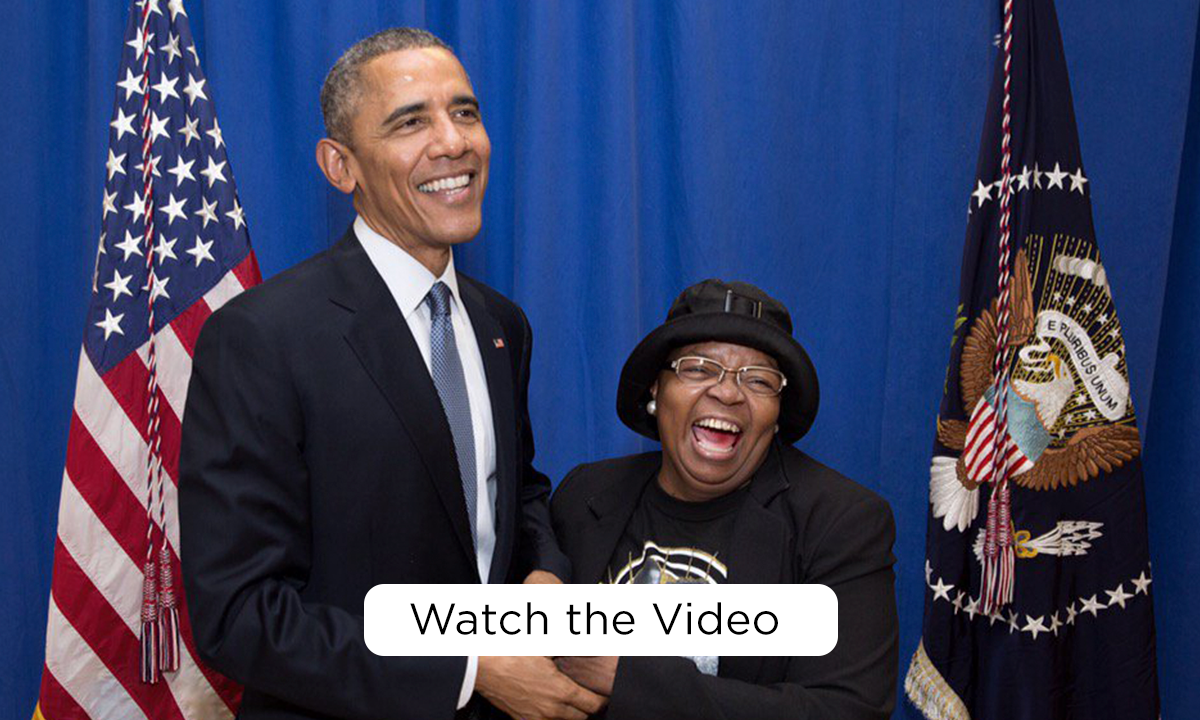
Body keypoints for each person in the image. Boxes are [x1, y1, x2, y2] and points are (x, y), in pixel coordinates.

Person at [179, 28, 604, 720]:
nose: (453, 142)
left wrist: (546, 573)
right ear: (339, 166)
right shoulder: (261, 338)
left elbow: (515, 492)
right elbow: (240, 614)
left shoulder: (502, 324)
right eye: (411, 122)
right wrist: (469, 670)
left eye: (464, 112)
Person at [550, 279, 899, 720]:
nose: (728, 392)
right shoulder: (584, 496)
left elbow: (847, 710)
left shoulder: (841, 522)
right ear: (656, 389)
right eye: (698, 368)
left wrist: (627, 679)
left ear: (777, 414)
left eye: (759, 379)